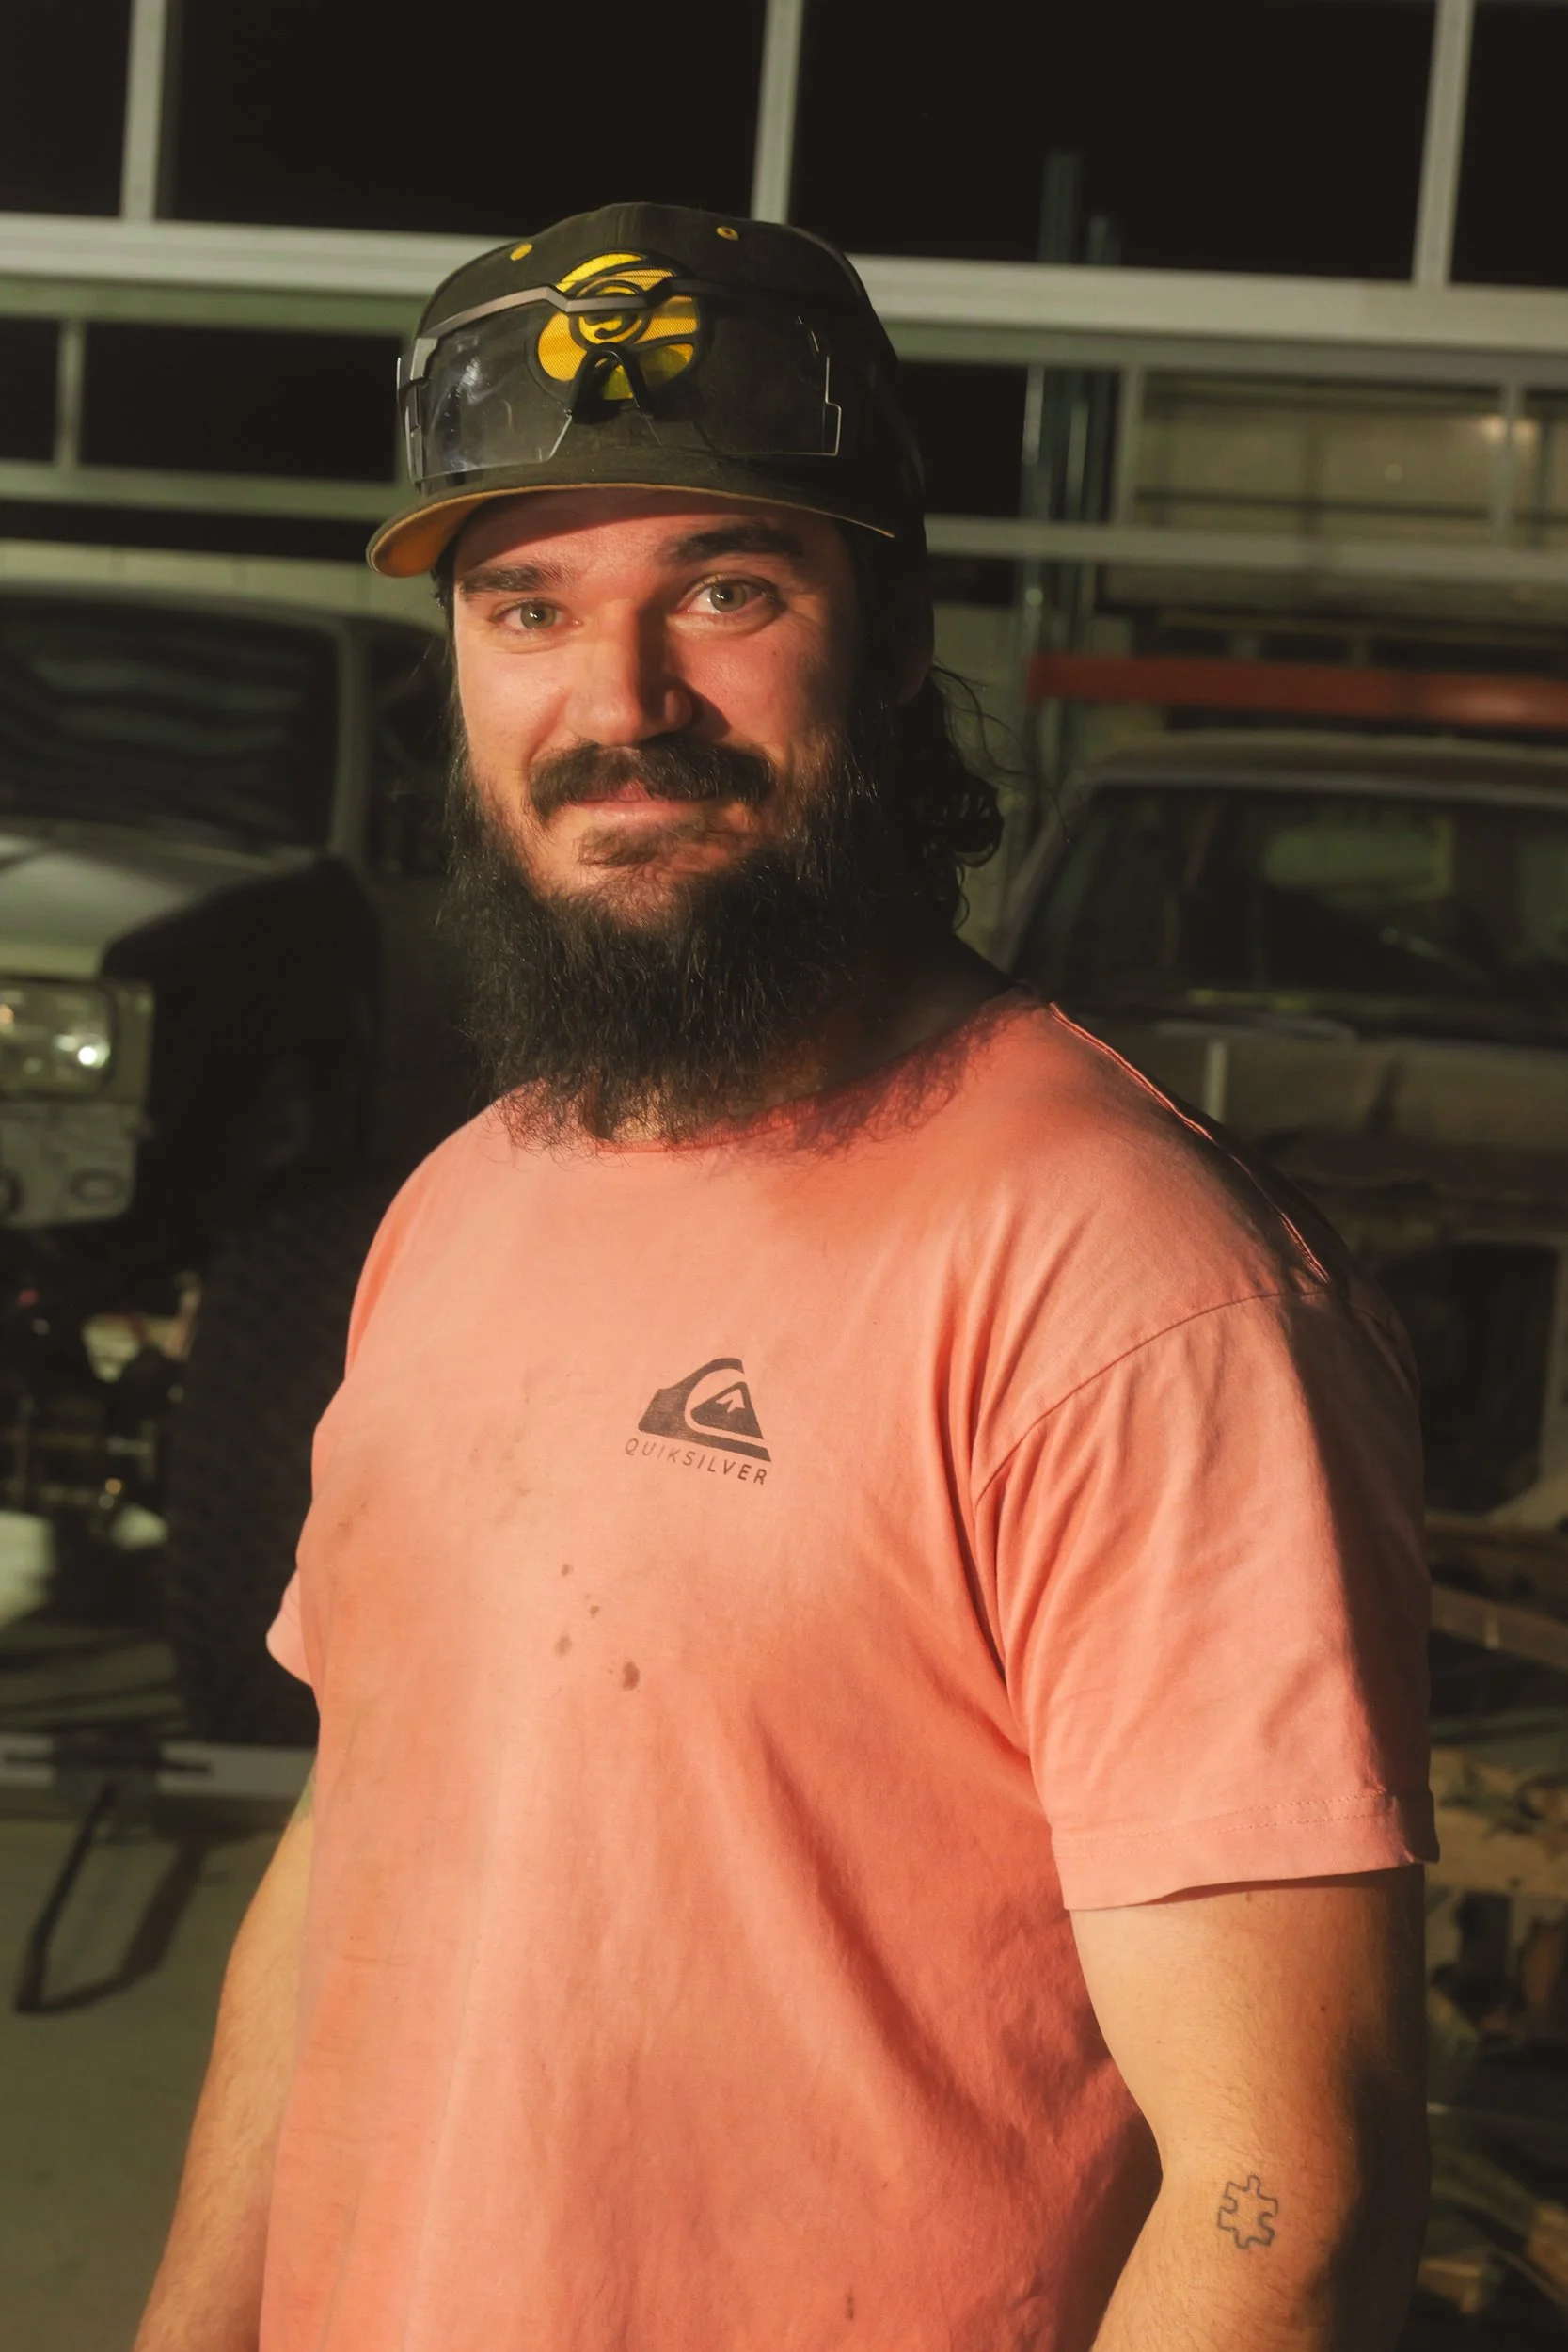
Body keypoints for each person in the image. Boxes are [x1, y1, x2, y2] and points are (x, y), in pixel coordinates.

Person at [135, 203, 1433, 2352]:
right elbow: (352, 1849)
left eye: (724, 591)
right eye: (524, 606)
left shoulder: (1126, 1278)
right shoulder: (460, 1202)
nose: (616, 703)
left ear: (894, 630)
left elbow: (1283, 2192)